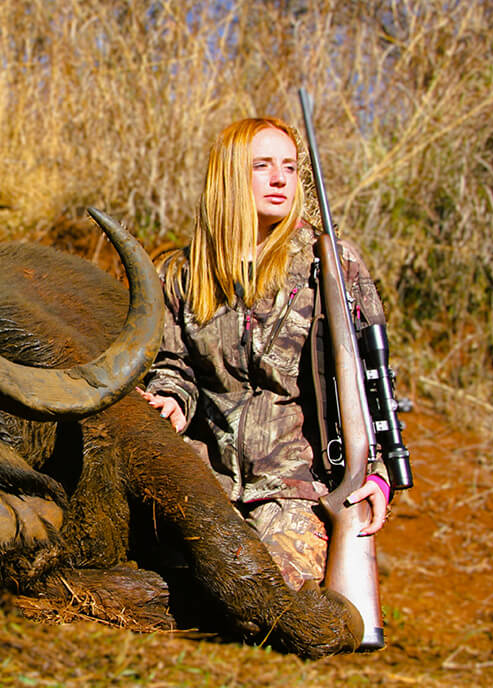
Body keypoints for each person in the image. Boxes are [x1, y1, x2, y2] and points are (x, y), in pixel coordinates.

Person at [138, 116, 391, 591]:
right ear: (229, 175)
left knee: (268, 593)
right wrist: (170, 399)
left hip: (295, 490)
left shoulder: (331, 265)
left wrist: (375, 474)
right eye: (262, 166)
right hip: (202, 480)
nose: (279, 179)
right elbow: (171, 365)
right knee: (178, 587)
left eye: (290, 167)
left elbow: (369, 383)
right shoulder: (180, 273)